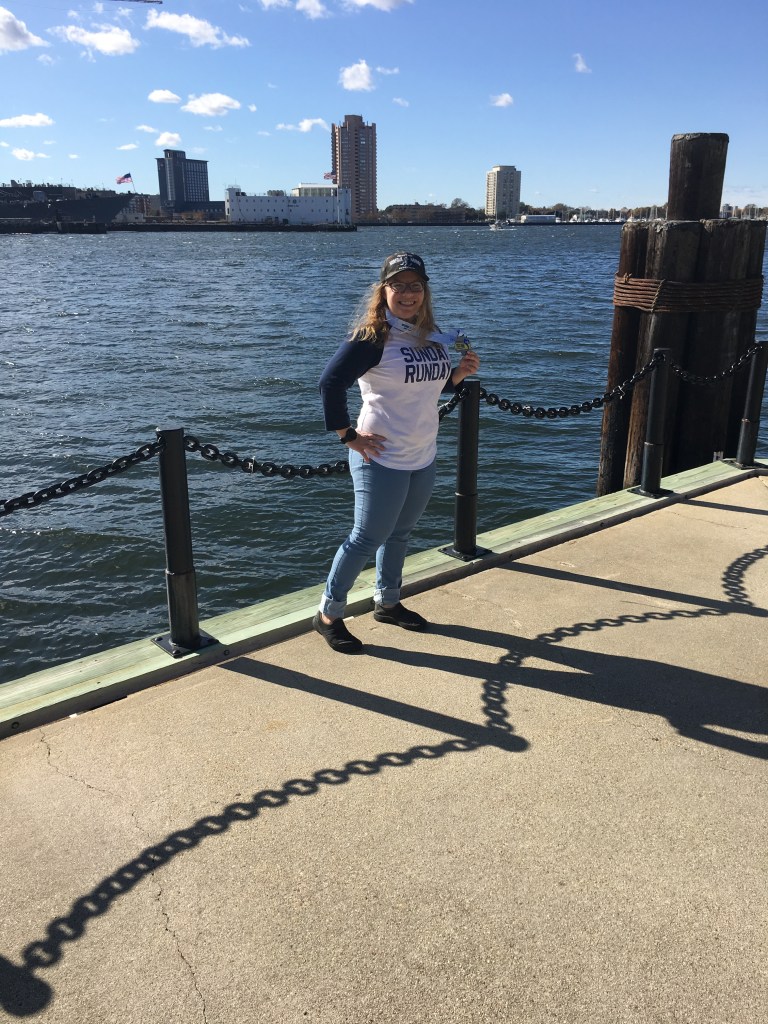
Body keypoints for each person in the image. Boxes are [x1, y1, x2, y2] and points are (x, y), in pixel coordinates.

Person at [313, 251, 481, 653]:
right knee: (366, 537)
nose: (408, 294)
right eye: (398, 286)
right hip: (380, 456)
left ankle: (387, 603)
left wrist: (456, 375)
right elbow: (329, 384)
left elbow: (425, 388)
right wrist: (347, 435)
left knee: (400, 534)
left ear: (425, 290)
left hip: (421, 453)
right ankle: (327, 615)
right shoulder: (372, 337)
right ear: (383, 290)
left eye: (415, 286)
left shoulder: (430, 334)